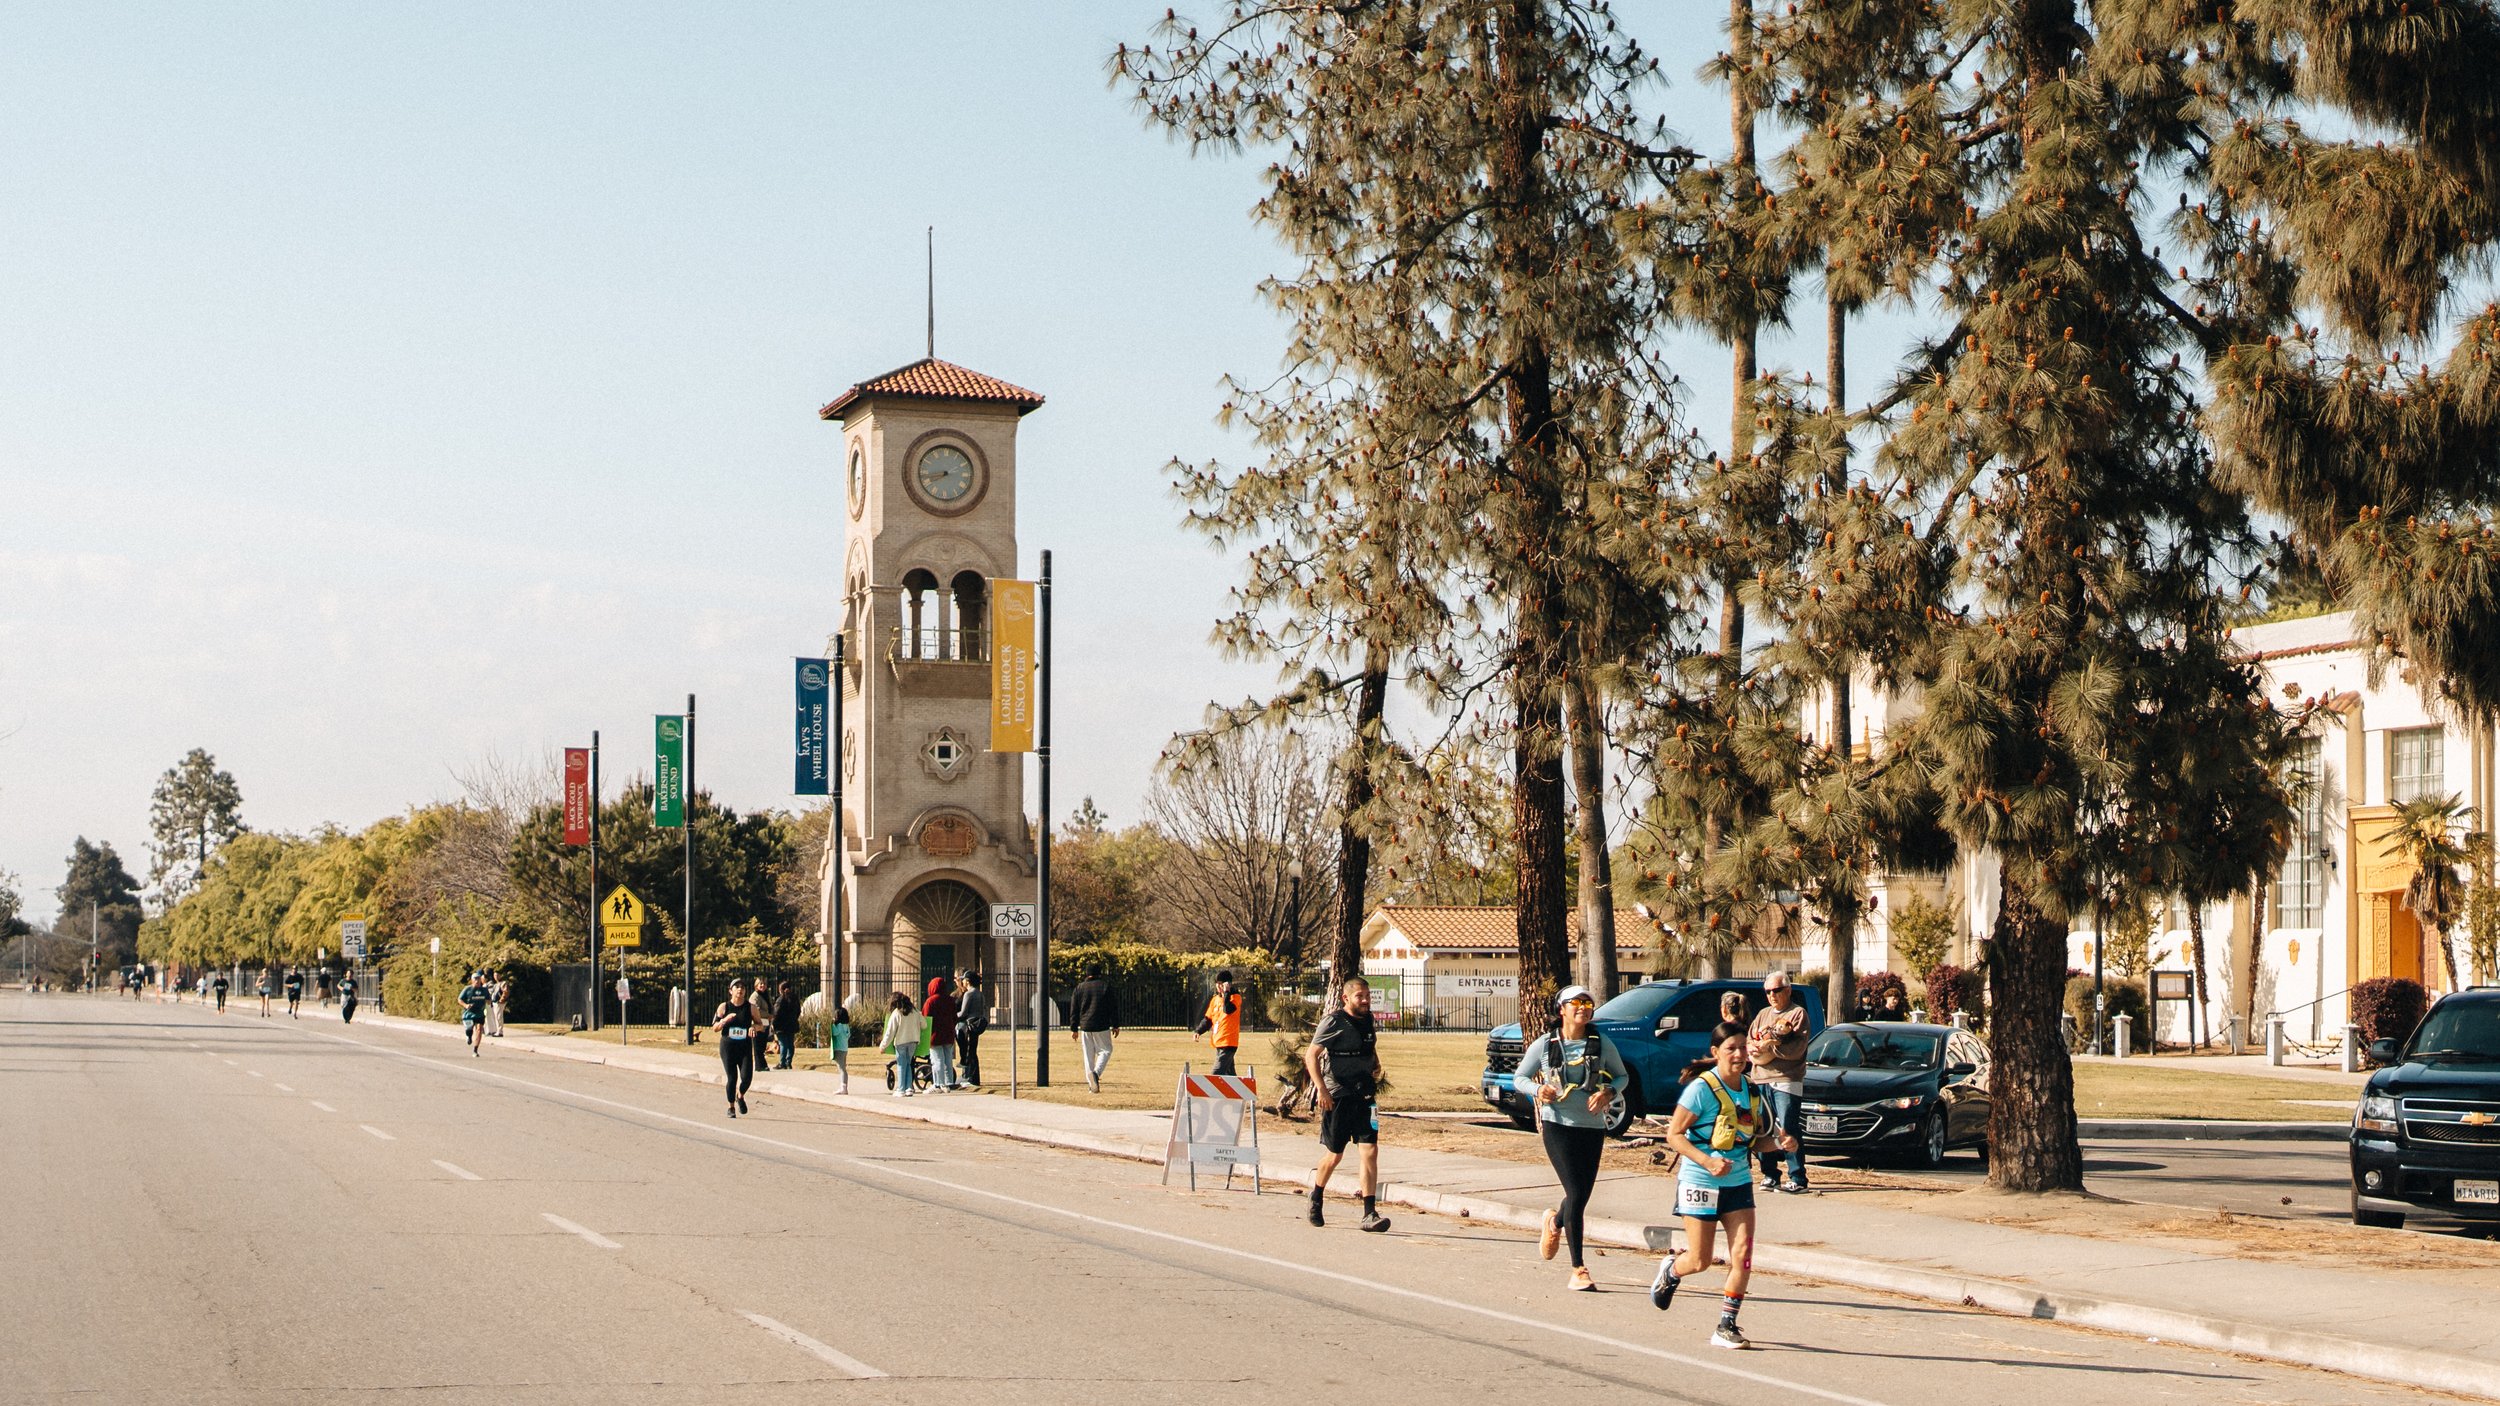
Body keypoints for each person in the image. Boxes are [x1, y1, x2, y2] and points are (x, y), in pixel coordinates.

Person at [1650, 1020, 1798, 1350]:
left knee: (1743, 1255)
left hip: (1738, 1183)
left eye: (1744, 1048)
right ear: (1716, 1052)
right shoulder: (1701, 1089)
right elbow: (1673, 1135)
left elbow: (1755, 1142)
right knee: (1700, 1260)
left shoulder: (1752, 1090)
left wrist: (1781, 1145)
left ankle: (1726, 1325)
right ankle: (1672, 1271)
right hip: (1699, 1180)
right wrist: (1707, 1161)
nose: (1739, 1054)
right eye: (1731, 1048)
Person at [1513, 985, 1629, 1290]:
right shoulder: (1544, 1044)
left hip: (1591, 1127)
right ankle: (1578, 1268)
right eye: (1575, 1003)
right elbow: (1519, 1078)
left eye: (1588, 1003)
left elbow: (1622, 1076)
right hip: (1557, 1125)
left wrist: (1607, 1092)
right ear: (1561, 1009)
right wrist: (1539, 1090)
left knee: (1580, 1196)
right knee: (1576, 1195)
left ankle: (1554, 1222)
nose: (1583, 1008)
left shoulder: (1601, 1043)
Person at [1304, 976, 1391, 1233]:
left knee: (1370, 1150)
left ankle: (1369, 1213)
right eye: (1359, 996)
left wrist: (1374, 1062)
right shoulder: (1333, 1021)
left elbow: (1369, 1045)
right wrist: (1321, 1089)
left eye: (1367, 996)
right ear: (1346, 998)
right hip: (1338, 1094)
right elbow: (1311, 1055)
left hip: (1364, 1093)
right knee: (1335, 1155)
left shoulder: (1368, 1019)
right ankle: (1317, 1196)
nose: (1365, 1000)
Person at [1748, 971, 1812, 1195]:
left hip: (1786, 1080)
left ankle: (1797, 1177)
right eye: (1768, 992)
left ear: (1788, 990)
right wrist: (1758, 1049)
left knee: (1787, 1126)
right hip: (1760, 1078)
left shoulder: (1797, 1014)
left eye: (1776, 990)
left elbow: (1796, 1049)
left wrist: (1769, 1048)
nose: (1772, 995)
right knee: (1763, 1128)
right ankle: (1770, 1174)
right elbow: (1750, 1042)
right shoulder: (1762, 1014)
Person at [1069, 965, 1120, 1094]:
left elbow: (1074, 1009)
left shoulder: (1079, 988)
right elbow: (1113, 1007)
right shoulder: (1105, 986)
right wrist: (1115, 1024)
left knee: (1088, 1056)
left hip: (1085, 1026)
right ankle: (1096, 1074)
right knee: (1105, 1051)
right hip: (1101, 1024)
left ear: (1087, 974)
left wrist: (1074, 1028)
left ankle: (1092, 1086)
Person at [712, 978, 759, 1117]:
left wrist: (753, 1027)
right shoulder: (724, 1007)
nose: (740, 989)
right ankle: (731, 1107)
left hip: (744, 1046)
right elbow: (714, 1027)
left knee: (747, 1078)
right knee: (732, 1078)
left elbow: (761, 1024)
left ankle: (740, 1095)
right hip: (728, 1046)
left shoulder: (751, 1007)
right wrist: (725, 1020)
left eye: (742, 987)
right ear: (730, 990)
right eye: (736, 987)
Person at [1198, 969, 1244, 1077]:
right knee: (1230, 1075)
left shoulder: (1235, 997)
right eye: (1217, 984)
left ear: (1227, 984)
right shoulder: (1215, 999)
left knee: (1216, 1074)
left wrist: (1227, 992)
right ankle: (1238, 1093)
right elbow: (1208, 1018)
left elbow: (1227, 1010)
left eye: (1221, 984)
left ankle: (1213, 1094)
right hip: (1218, 1041)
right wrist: (1198, 1031)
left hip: (1228, 1042)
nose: (1219, 986)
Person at [879, 992, 924, 1097]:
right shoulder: (916, 1012)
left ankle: (901, 1089)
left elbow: (890, 1032)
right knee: (908, 1064)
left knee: (901, 1065)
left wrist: (882, 1046)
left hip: (901, 1042)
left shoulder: (896, 1013)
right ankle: (909, 1087)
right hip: (913, 1041)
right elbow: (924, 1025)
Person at [923, 975, 960, 1091]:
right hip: (948, 1034)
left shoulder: (930, 1001)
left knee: (937, 1059)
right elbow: (955, 1017)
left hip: (935, 1035)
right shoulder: (950, 1000)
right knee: (948, 1059)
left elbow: (926, 1018)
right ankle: (949, 1082)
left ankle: (938, 1084)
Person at [954, 971, 987, 1089]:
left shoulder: (969, 994)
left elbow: (963, 1012)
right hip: (978, 1023)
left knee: (968, 1051)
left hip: (969, 1024)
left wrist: (952, 1015)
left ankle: (970, 1077)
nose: (962, 981)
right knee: (973, 1050)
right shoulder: (980, 993)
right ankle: (973, 1077)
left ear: (967, 981)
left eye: (963, 979)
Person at [773, 980, 804, 1071]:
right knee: (790, 1044)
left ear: (780, 990)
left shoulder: (780, 999)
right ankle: (788, 1062)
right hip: (792, 1024)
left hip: (781, 1025)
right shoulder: (794, 998)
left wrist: (773, 1024)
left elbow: (776, 1013)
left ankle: (782, 1063)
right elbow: (798, 1011)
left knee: (783, 1044)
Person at [459, 972, 491, 1055]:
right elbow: (459, 999)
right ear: (472, 980)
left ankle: (475, 1049)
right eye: (475, 979)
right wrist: (466, 1005)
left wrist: (488, 1002)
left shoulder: (484, 990)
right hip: (469, 1014)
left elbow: (488, 999)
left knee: (479, 1029)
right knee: (469, 1030)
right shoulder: (467, 989)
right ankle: (469, 1036)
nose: (477, 981)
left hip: (479, 1013)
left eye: (478, 979)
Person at [824, 995, 852, 1093]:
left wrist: (833, 1024)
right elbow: (848, 1035)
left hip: (839, 1049)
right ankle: (843, 1086)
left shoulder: (838, 1026)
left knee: (841, 1068)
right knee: (843, 1067)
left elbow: (834, 1033)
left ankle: (843, 1087)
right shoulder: (846, 1026)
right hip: (844, 1049)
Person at [486, 972, 508, 1038]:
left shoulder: (503, 983)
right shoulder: (495, 984)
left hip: (499, 1003)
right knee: (496, 1017)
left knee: (499, 1017)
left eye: (497, 975)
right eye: (495, 975)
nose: (496, 977)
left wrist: (501, 1000)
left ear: (500, 975)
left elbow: (506, 992)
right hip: (495, 1002)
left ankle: (500, 1032)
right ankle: (498, 1031)